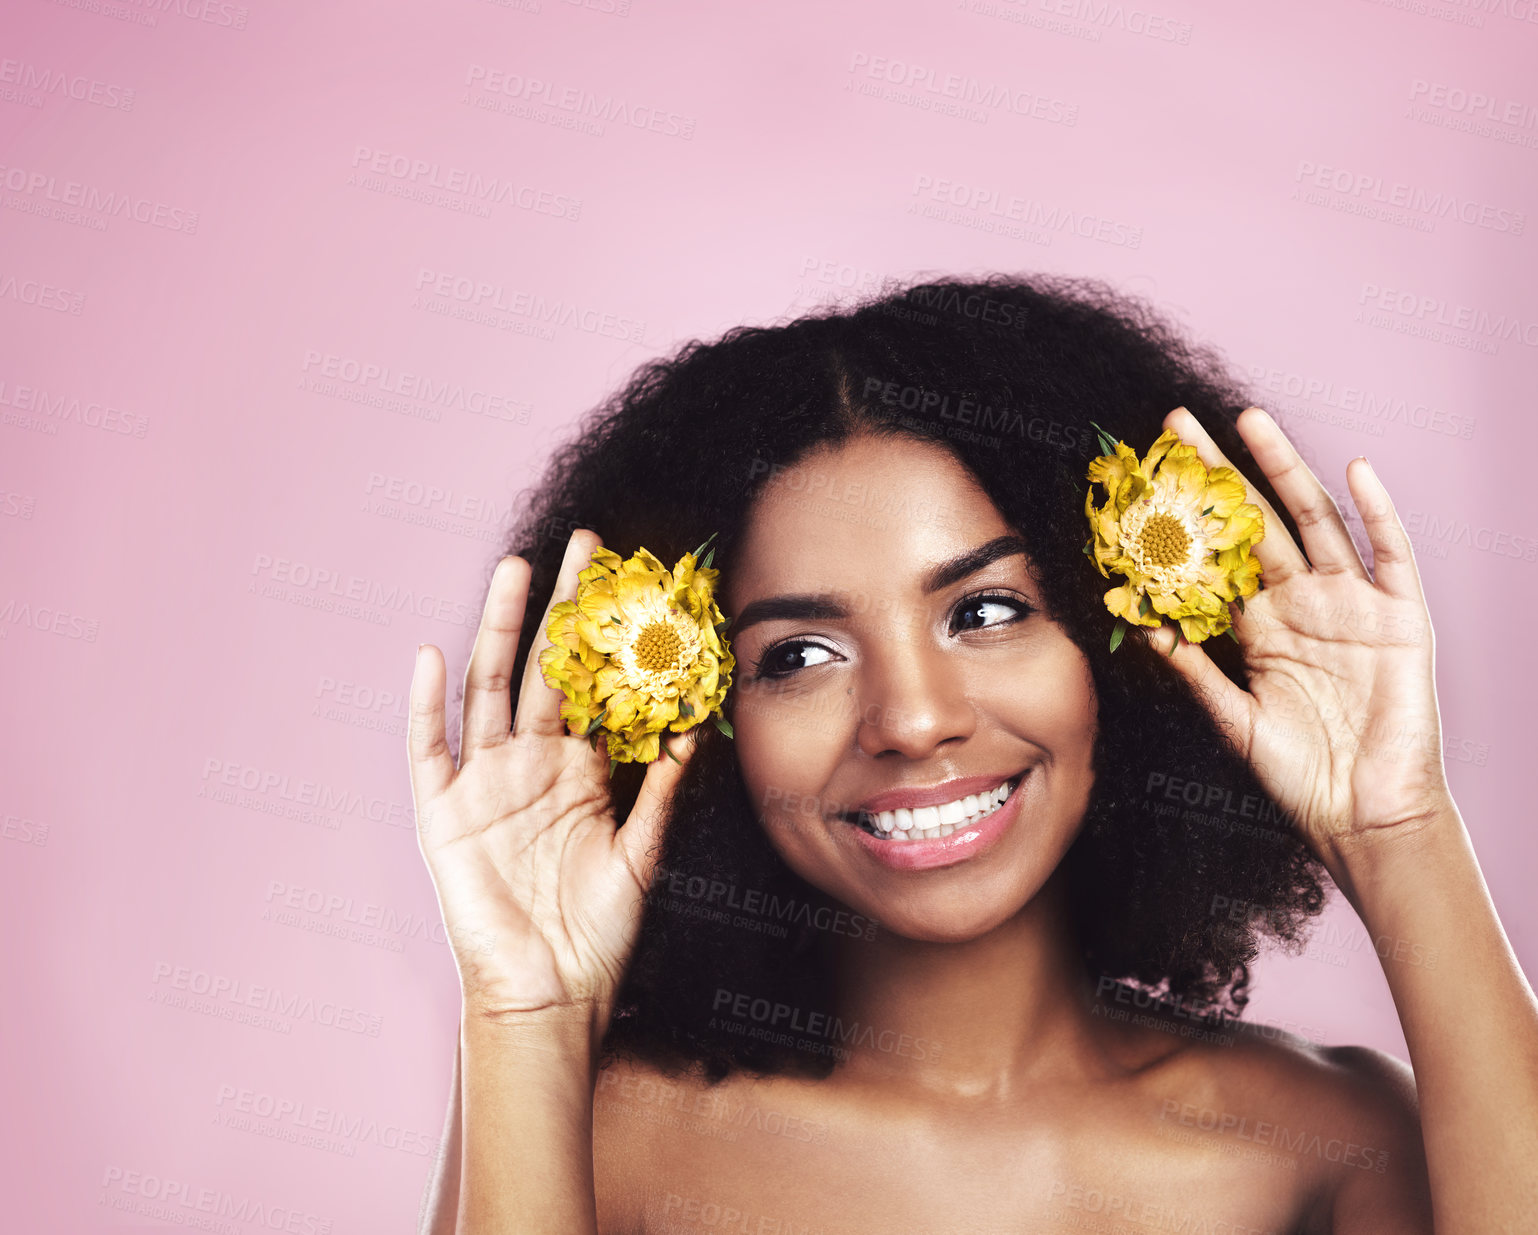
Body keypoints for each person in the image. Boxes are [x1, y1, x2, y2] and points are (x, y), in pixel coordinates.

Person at [406, 275, 1538, 1233]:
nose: (909, 718)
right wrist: (527, 1016)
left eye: (986, 612)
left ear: (1122, 647)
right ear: (700, 724)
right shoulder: (609, 1139)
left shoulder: (1321, 1144)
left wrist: (1397, 831)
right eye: (798, 653)